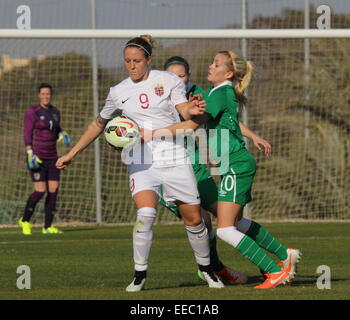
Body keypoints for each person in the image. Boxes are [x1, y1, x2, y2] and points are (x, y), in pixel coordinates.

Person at [56, 35, 224, 292]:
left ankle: (206, 268)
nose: (131, 66)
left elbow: (184, 111)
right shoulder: (118, 91)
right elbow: (98, 124)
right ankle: (139, 275)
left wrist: (194, 108)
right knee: (145, 215)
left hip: (174, 156)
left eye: (136, 61)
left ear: (148, 60)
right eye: (127, 61)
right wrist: (73, 152)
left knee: (193, 219)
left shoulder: (167, 80)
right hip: (140, 159)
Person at [142, 51, 302, 289]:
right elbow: (224, 120)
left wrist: (153, 133)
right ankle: (283, 255)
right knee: (232, 223)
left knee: (225, 228)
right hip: (227, 165)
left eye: (215, 64)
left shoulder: (215, 94)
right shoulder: (216, 93)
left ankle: (273, 271)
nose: (210, 66)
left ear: (228, 73)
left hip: (234, 165)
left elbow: (192, 124)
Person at [161, 56, 276, 285]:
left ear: (189, 77)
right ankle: (213, 268)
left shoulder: (201, 94)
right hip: (169, 167)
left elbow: (224, 118)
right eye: (172, 77)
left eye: (181, 76)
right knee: (201, 219)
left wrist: (252, 135)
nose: (177, 80)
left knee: (230, 219)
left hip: (195, 165)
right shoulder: (157, 98)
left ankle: (278, 262)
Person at [19, 83, 71, 235]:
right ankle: (25, 220)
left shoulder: (55, 112)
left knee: (53, 191)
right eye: (43, 94)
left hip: (52, 157)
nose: (45, 96)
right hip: (37, 158)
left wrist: (62, 134)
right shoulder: (32, 112)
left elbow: (56, 129)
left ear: (51, 95)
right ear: (39, 95)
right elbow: (27, 133)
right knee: (40, 190)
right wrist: (29, 152)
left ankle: (47, 226)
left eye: (48, 94)